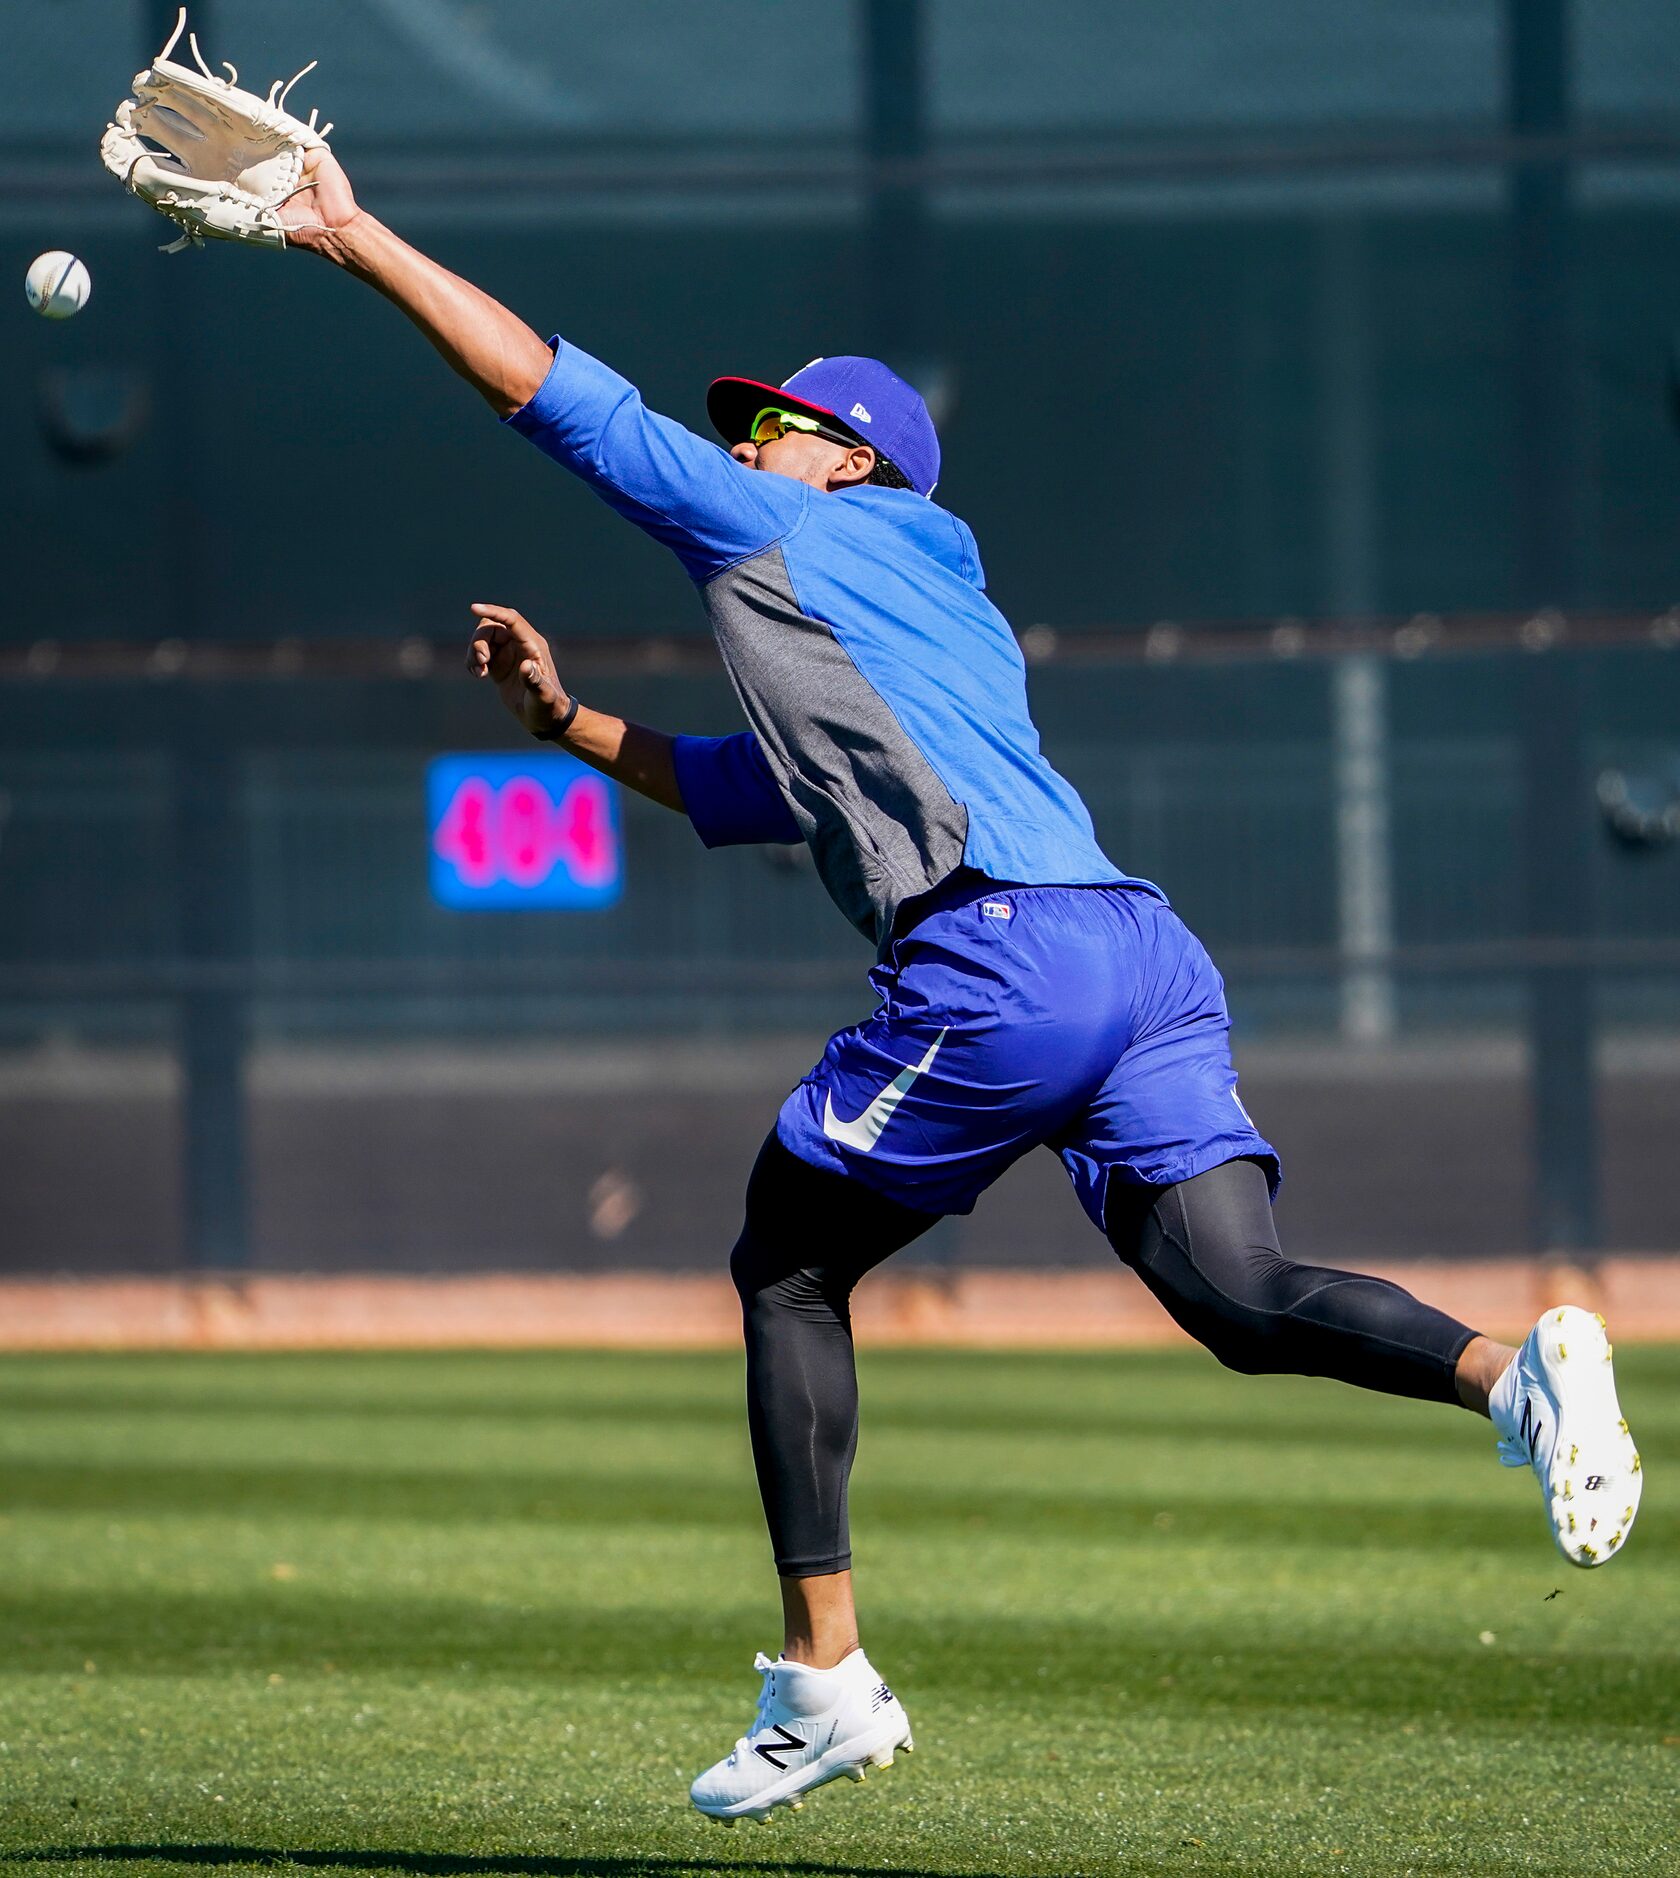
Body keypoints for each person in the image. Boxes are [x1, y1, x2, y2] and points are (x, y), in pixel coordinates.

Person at [273, 150, 1642, 1827]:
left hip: (1003, 959)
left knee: (784, 1262)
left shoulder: (791, 521)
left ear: (846, 462)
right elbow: (741, 787)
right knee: (1233, 1289)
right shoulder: (938, 605)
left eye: (771, 422)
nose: (745, 437)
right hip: (1142, 955)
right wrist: (565, 725)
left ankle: (823, 1683)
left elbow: (564, 399)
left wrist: (353, 238)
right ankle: (1519, 1376)